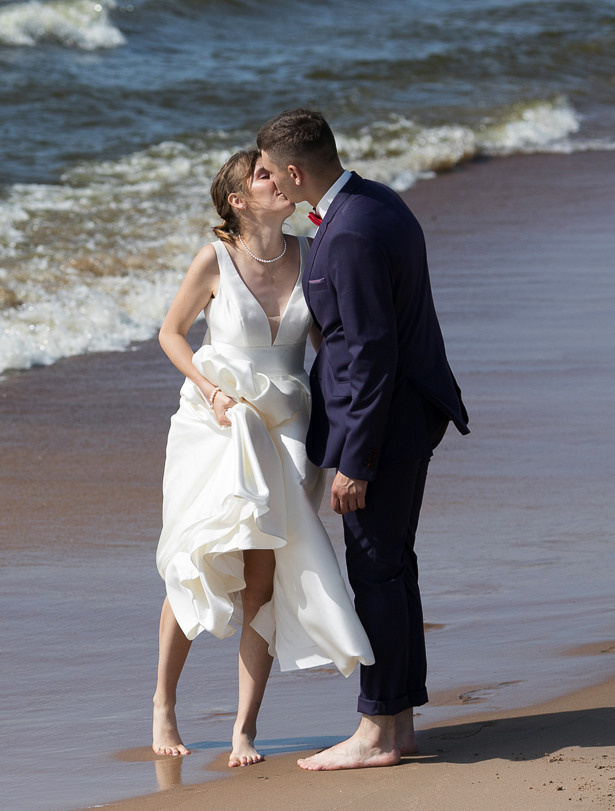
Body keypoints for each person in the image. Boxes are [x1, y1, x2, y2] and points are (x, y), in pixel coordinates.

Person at [256, 109, 469, 770]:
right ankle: (396, 719)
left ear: (295, 172)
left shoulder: (347, 233)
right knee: (391, 565)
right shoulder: (379, 201)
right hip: (408, 415)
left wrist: (356, 460)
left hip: (383, 428)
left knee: (376, 567)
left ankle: (378, 730)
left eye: (269, 169)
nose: (264, 179)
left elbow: (371, 355)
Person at [151, 148, 374, 767]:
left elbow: (329, 345)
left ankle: (244, 728)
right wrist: (211, 389)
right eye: (261, 175)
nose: (277, 180)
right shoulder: (213, 259)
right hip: (218, 424)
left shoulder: (311, 254)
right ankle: (164, 702)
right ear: (238, 200)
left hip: (290, 430)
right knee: (196, 558)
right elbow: (171, 333)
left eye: (275, 171)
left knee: (262, 578)